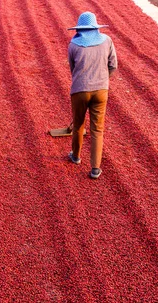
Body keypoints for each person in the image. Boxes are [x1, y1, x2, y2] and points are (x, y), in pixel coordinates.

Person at [67, 12, 117, 179]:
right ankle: (95, 169)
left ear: (80, 29)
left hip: (80, 91)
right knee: (97, 129)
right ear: (96, 28)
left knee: (78, 125)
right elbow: (113, 65)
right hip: (101, 91)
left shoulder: (73, 44)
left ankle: (75, 156)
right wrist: (103, 80)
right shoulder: (107, 41)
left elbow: (72, 70)